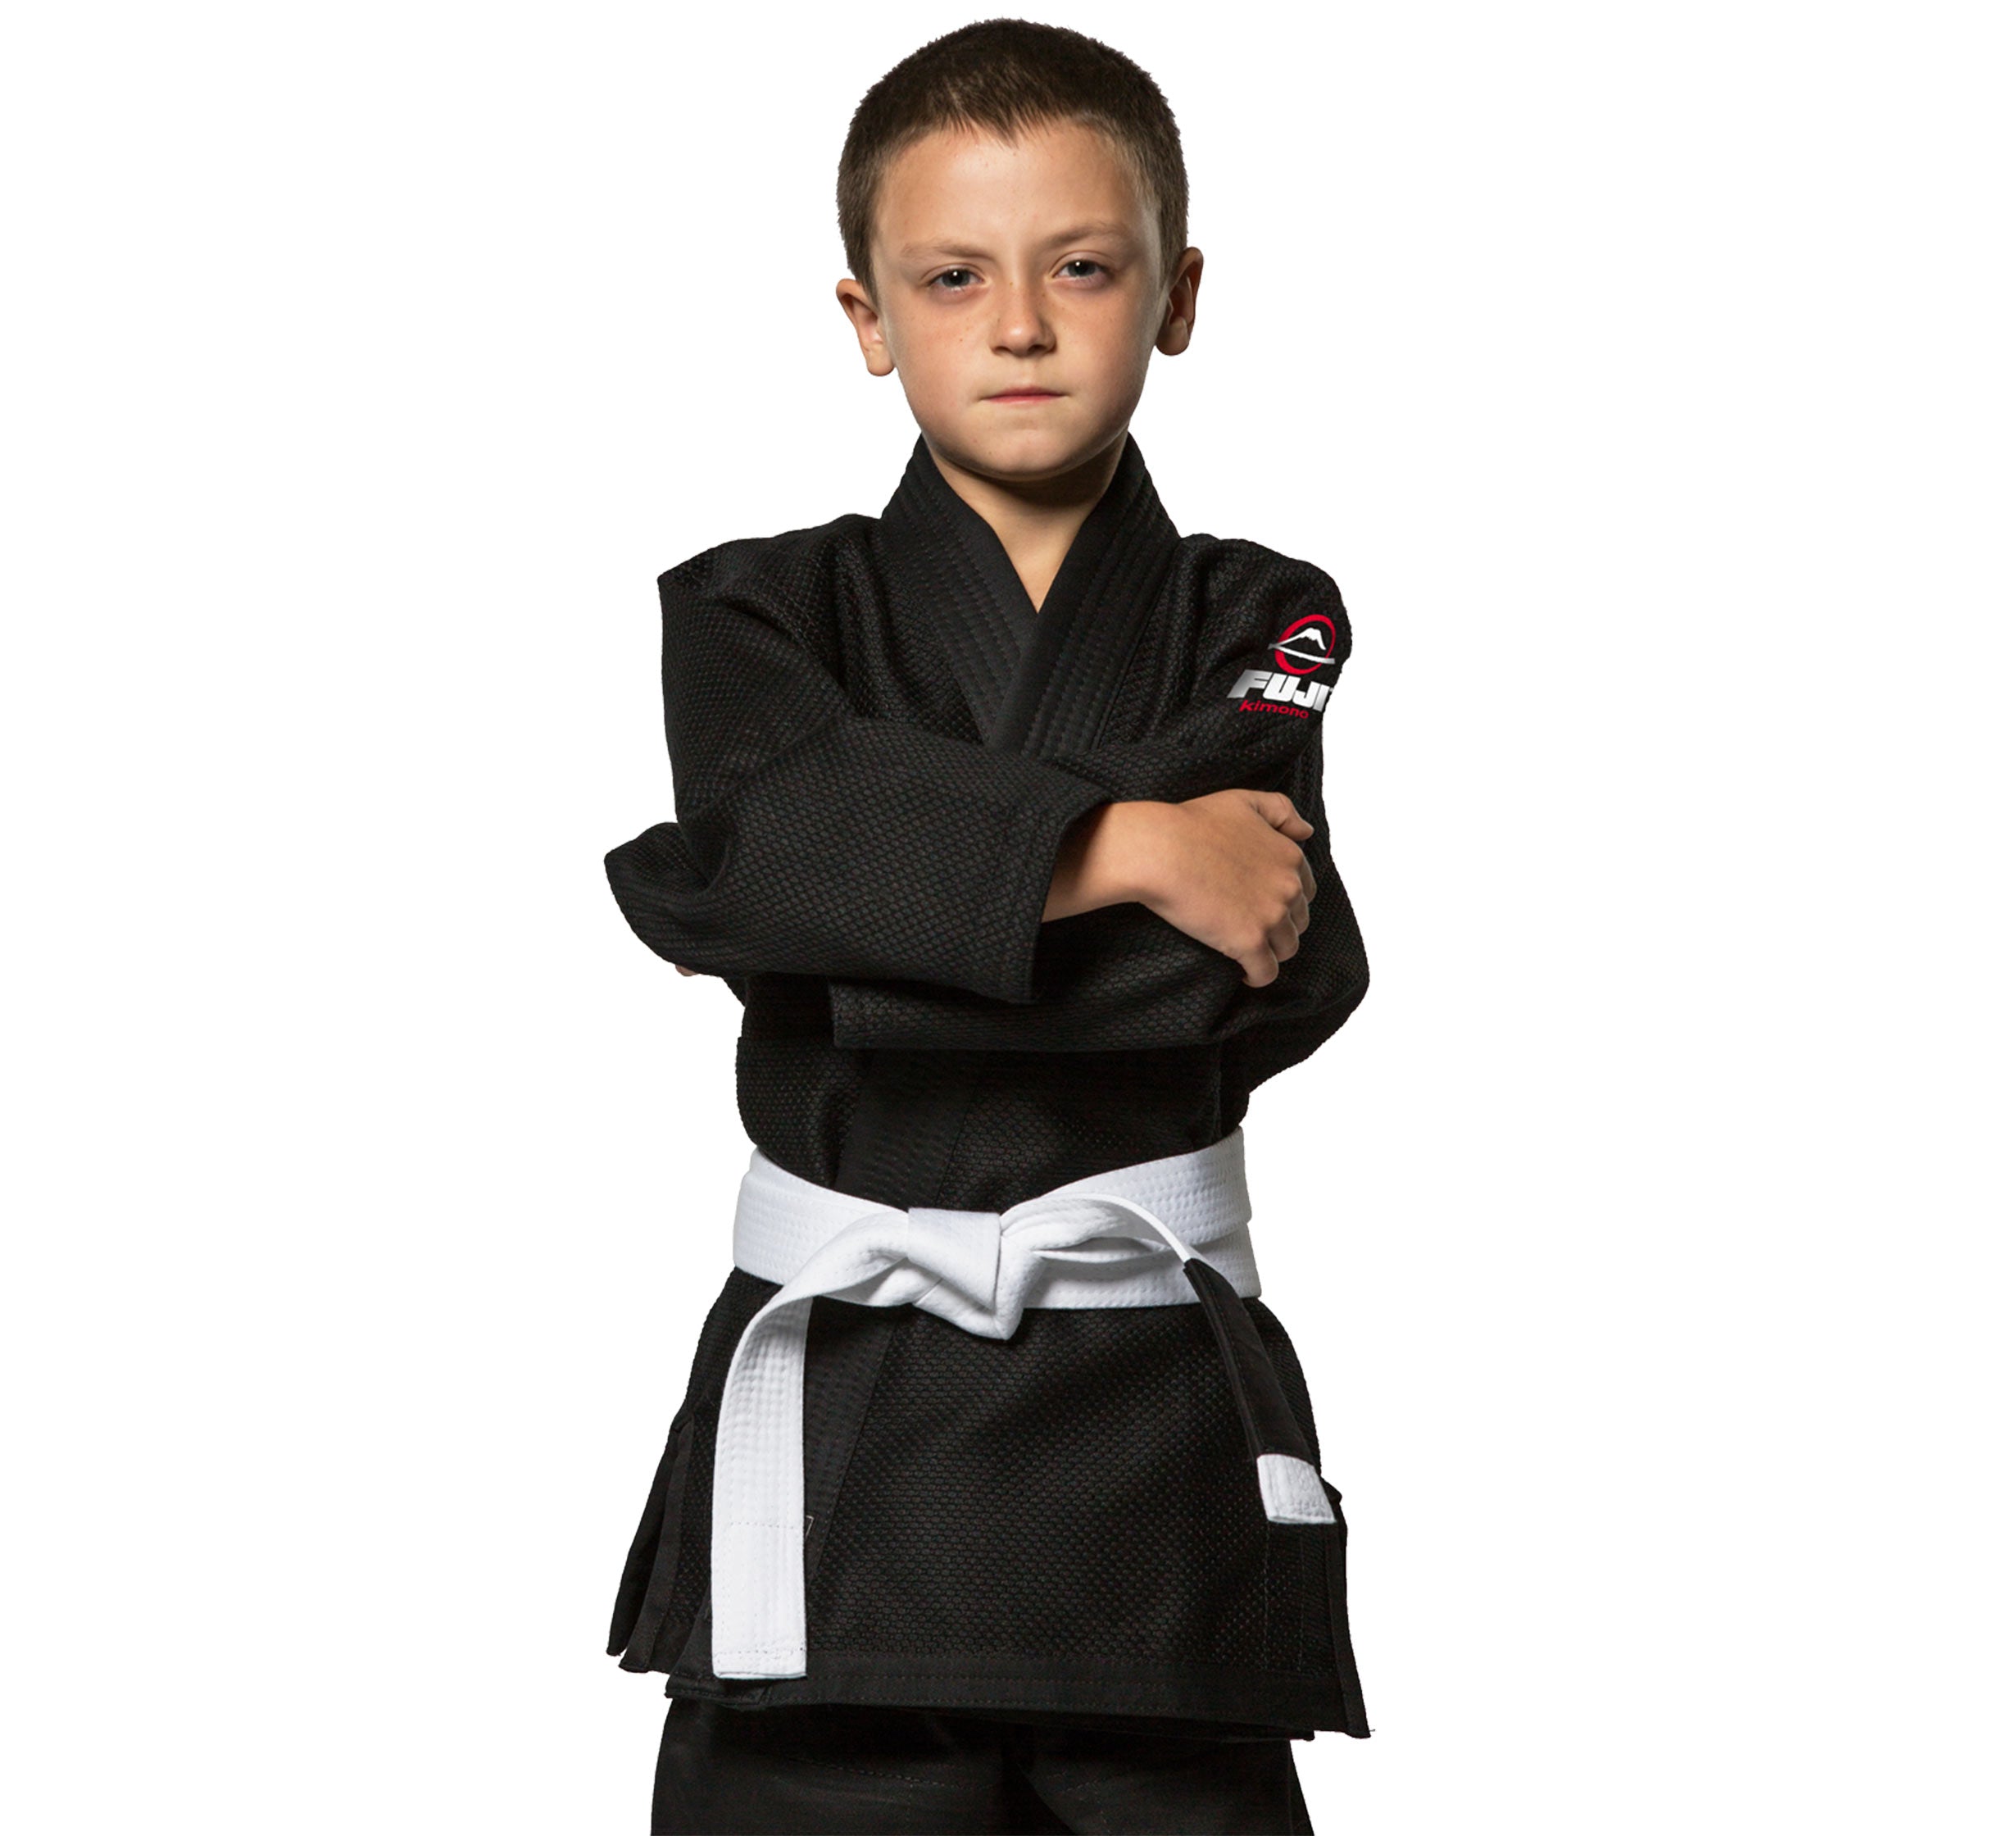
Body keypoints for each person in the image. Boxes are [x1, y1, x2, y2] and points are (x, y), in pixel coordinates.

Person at [602, 20, 1374, 1833]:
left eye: (1081, 268)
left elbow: (1245, 955)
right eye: (953, 277)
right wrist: (1125, 851)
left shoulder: (1261, 608)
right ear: (869, 315)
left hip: (1145, 1431)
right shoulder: (750, 608)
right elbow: (771, 845)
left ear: (1174, 294)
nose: (1018, 324)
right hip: (848, 1423)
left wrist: (855, 919)